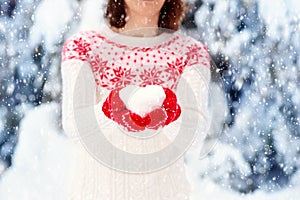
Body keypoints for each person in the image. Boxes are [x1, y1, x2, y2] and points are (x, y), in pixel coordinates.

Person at [61, 0, 211, 199]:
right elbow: (75, 124)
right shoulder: (84, 47)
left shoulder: (190, 53)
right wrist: (113, 110)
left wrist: (170, 113)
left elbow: (193, 134)